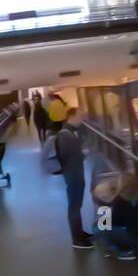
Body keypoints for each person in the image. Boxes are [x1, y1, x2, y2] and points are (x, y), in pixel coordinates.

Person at [48, 98, 92, 250]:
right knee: (74, 206)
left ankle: (80, 233)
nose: (82, 119)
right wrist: (83, 153)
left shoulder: (70, 133)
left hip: (74, 174)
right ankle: (77, 239)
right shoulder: (66, 135)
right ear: (71, 116)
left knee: (76, 205)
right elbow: (70, 156)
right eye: (80, 116)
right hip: (74, 176)